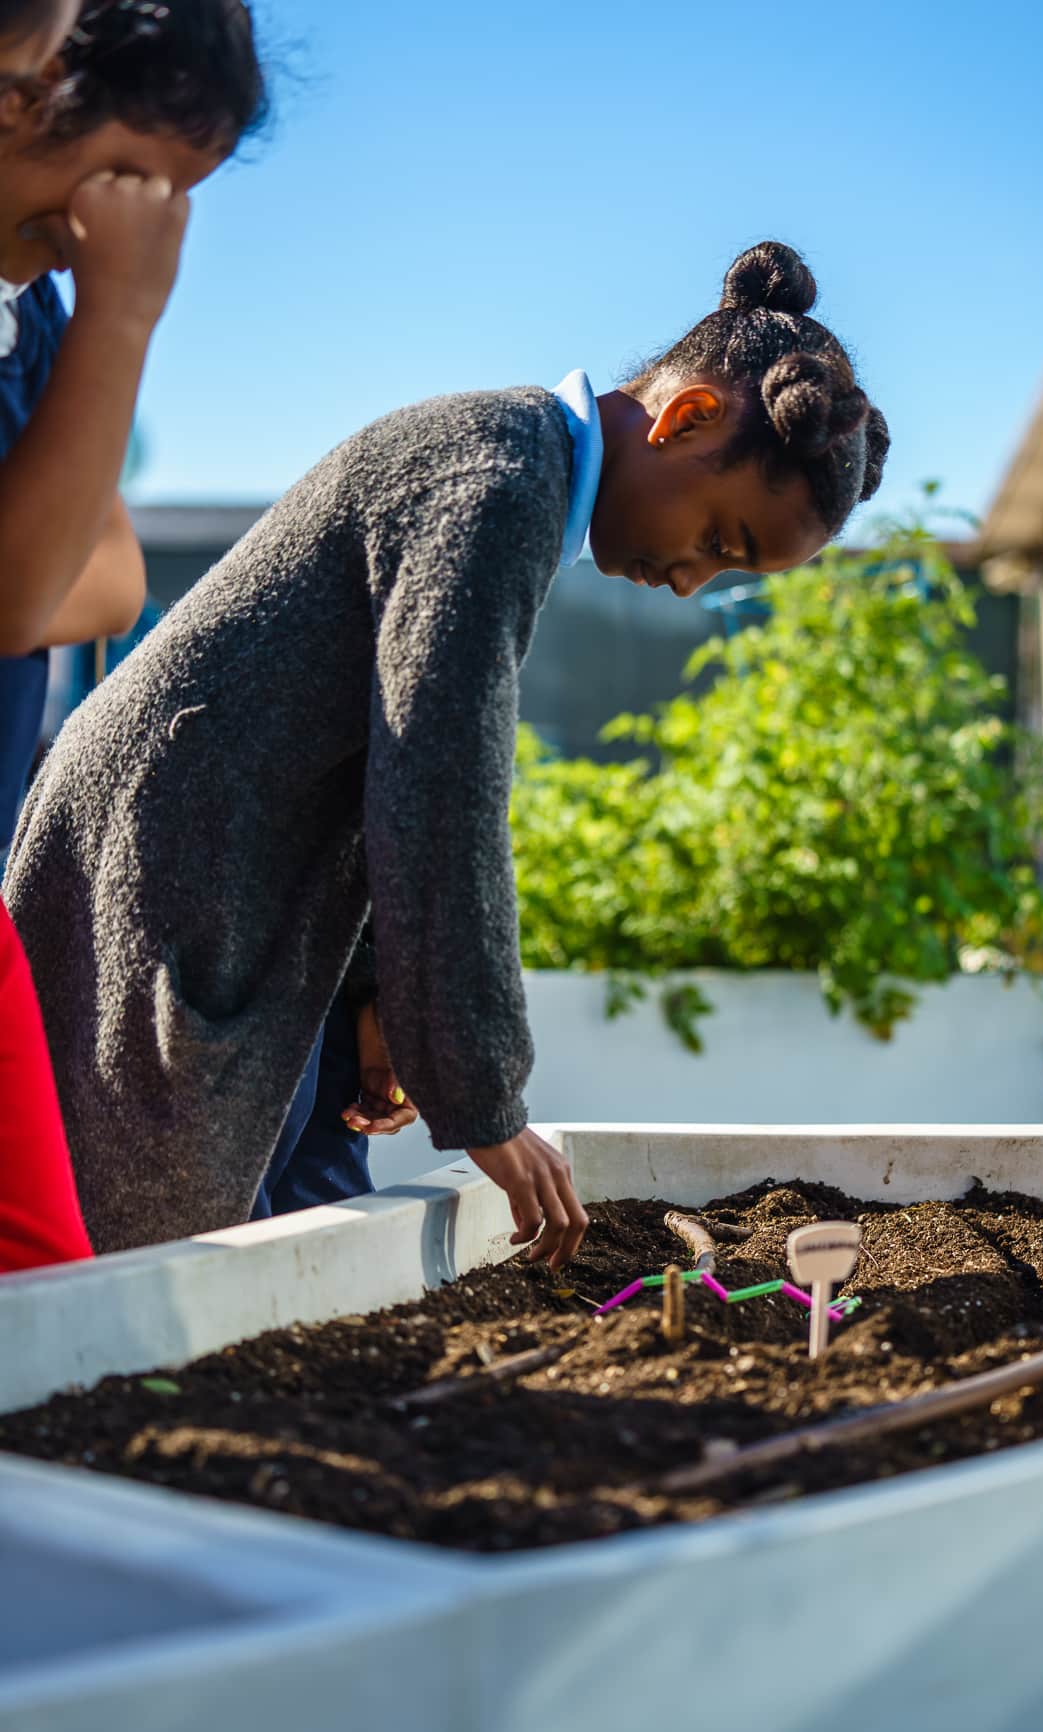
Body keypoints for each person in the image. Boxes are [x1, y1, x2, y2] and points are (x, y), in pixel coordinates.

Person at [6, 240, 890, 1270]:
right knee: (143, 1282)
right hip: (169, 877)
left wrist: (385, 992)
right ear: (684, 416)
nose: (694, 582)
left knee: (306, 1265)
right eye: (722, 538)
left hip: (254, 899)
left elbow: (391, 755)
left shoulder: (521, 475)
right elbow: (443, 784)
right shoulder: (497, 475)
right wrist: (484, 1100)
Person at [0, 0, 267, 1272]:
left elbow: (102, 576)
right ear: (25, 93)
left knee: (43, 1296)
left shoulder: (32, 321)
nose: (118, 233)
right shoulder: (83, 314)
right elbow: (19, 593)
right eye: (128, 183)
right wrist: (123, 317)